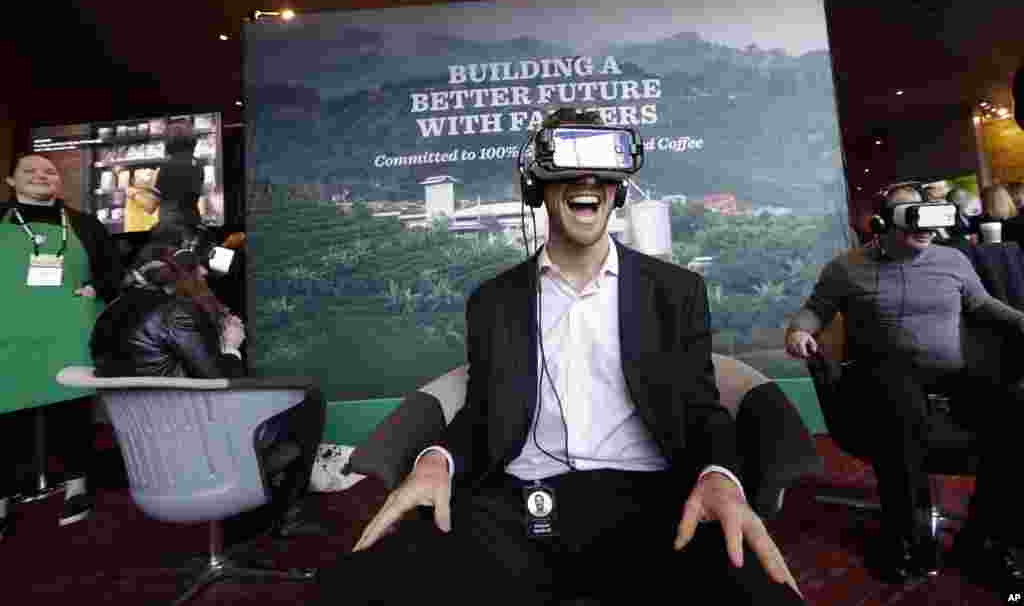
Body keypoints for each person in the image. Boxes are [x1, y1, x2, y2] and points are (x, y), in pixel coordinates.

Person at [326, 108, 803, 605]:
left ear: (618, 187)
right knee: (355, 590)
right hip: (517, 504)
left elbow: (703, 411)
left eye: (602, 166)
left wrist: (719, 476)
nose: (589, 180)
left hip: (652, 504)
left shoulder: (676, 292)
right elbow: (482, 414)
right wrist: (435, 460)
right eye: (571, 163)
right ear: (536, 185)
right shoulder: (493, 301)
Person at [784, 183, 1024, 591]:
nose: (926, 228)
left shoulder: (952, 260)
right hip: (882, 380)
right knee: (899, 405)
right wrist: (798, 331)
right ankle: (906, 539)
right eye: (913, 217)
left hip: (952, 374)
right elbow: (815, 309)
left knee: (1016, 412)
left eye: (931, 217)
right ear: (882, 224)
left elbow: (982, 304)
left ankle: (986, 539)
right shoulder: (847, 267)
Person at [89, 233, 327, 541]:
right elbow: (221, 385)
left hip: (147, 453)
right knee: (309, 400)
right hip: (198, 441)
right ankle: (283, 516)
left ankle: (249, 511)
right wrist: (231, 347)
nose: (203, 274)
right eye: (196, 269)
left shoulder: (106, 316)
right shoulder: (177, 313)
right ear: (178, 275)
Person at [0, 153, 122, 539]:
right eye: (30, 171)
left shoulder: (85, 224)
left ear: (59, 182)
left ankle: (76, 488)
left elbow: (112, 273)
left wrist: (95, 288)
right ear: (11, 181)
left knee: (71, 412)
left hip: (68, 330)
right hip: (8, 332)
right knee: (5, 417)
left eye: (49, 172)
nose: (41, 176)